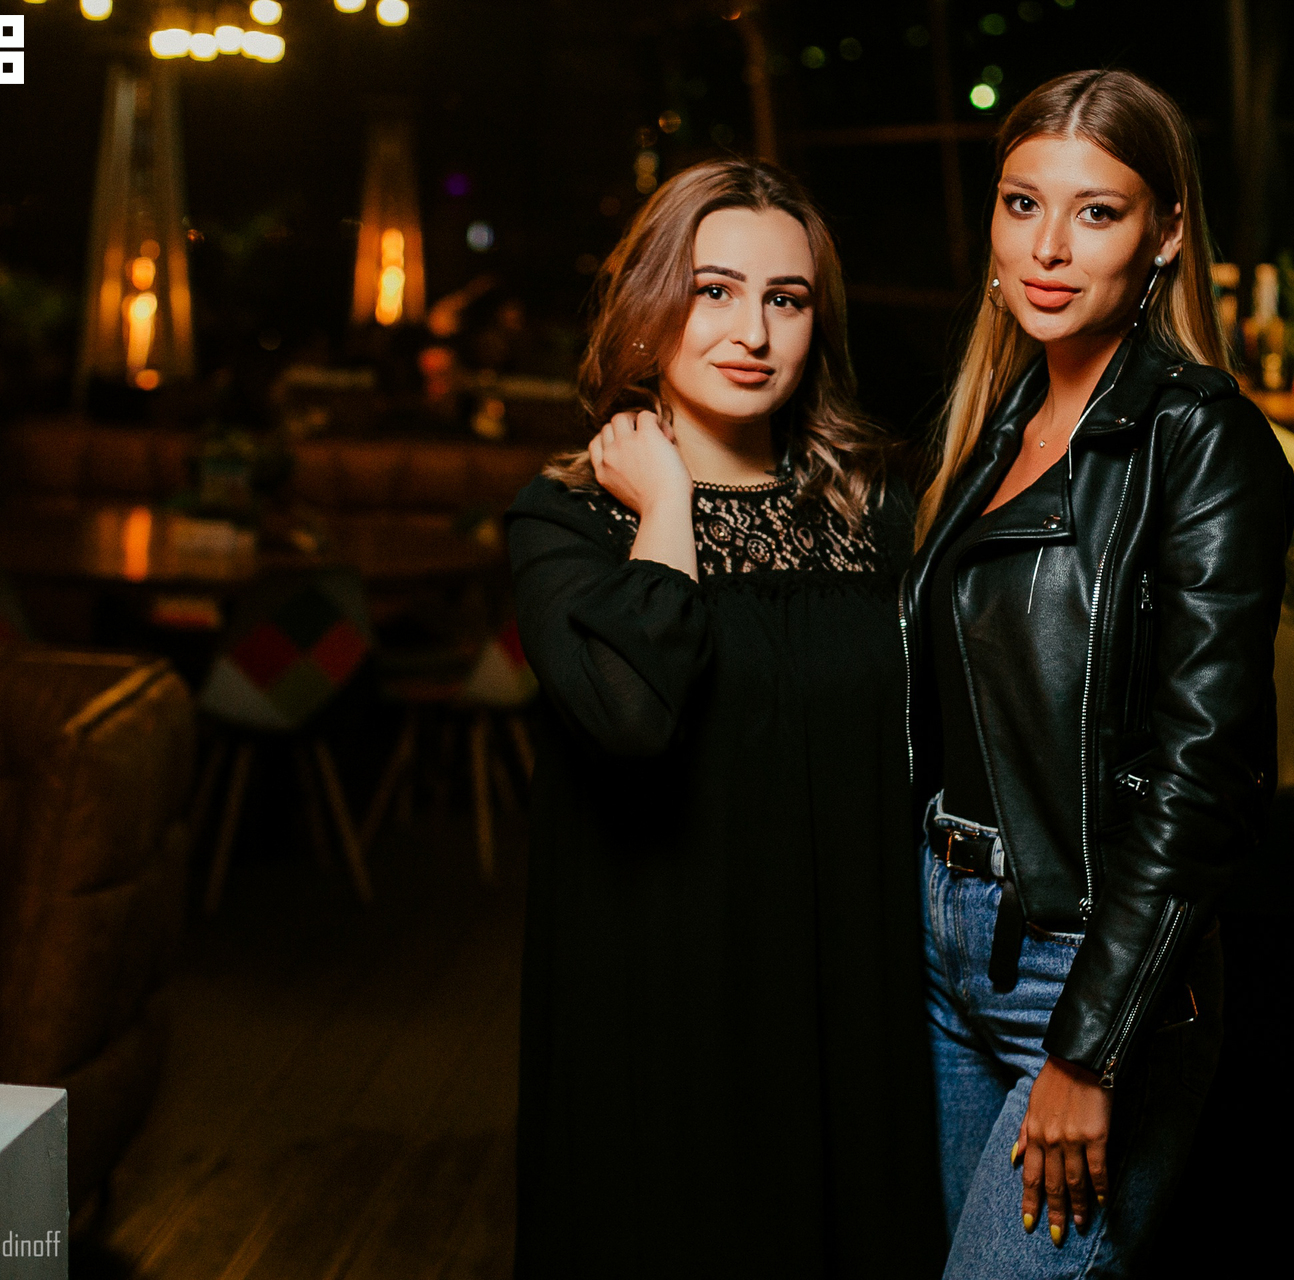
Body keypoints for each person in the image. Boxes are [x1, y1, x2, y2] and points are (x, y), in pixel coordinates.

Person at [505, 158, 943, 1276]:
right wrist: (667, 507)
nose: (753, 331)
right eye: (714, 291)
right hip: (663, 1015)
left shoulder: (878, 511)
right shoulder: (565, 522)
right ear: (650, 305)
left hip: (849, 1005)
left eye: (785, 299)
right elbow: (634, 721)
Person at [901, 69, 1294, 1278]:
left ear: (1166, 234)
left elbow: (1205, 771)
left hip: (1083, 963)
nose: (1049, 248)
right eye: (1023, 203)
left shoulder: (1205, 440)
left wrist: (1091, 1043)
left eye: (1098, 212)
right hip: (946, 935)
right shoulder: (995, 424)